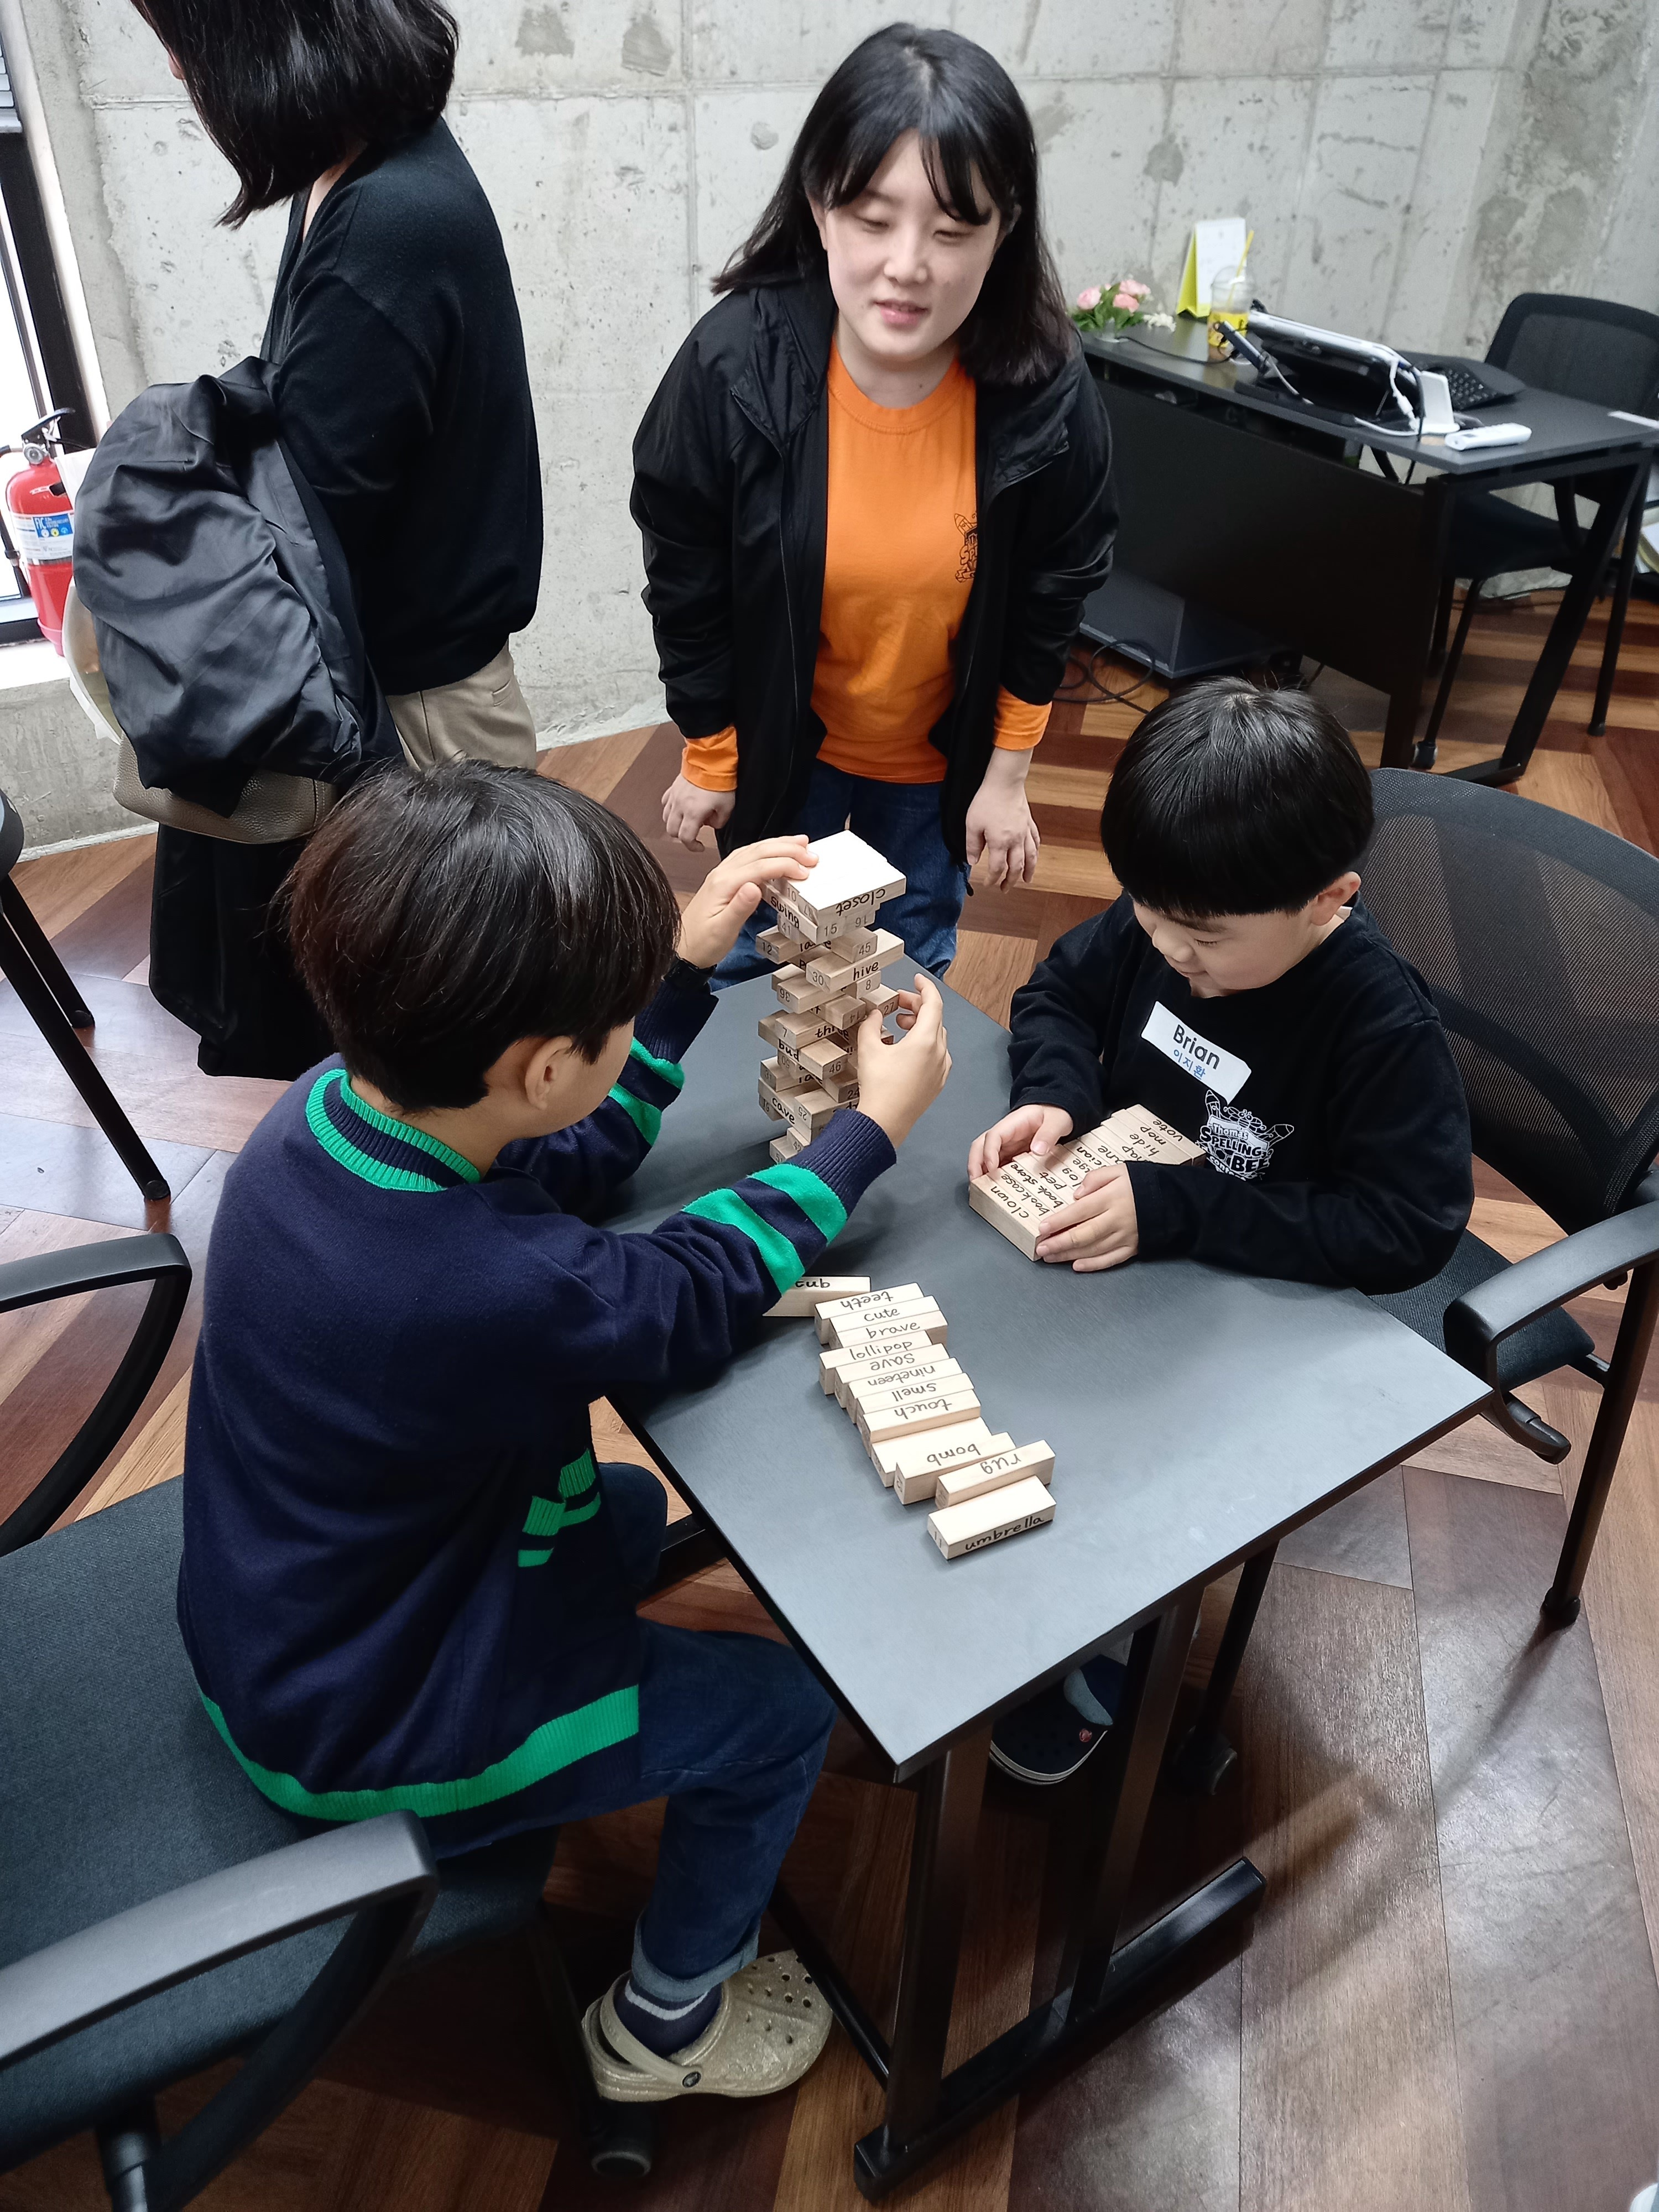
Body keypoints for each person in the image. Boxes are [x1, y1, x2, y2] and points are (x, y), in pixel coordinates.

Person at [176, 761, 951, 2103]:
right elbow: (686, 1296)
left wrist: (680, 976)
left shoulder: (328, 1111)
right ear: (540, 1063)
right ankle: (664, 2026)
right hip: (364, 1715)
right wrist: (867, 1133)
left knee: (627, 1509)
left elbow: (560, 1153)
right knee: (778, 1711)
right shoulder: (492, 1285)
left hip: (280, 1609)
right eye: (604, 1027)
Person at [967, 678, 1472, 1784]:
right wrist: (1056, 1088)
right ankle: (1040, 1588)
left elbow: (1408, 1225)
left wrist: (1179, 1208)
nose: (1165, 949)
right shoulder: (1175, 908)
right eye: (1145, 916)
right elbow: (1058, 991)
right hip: (1134, 1257)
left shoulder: (1377, 1021)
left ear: (1330, 899)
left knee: (1149, 1471)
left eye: (1198, 938)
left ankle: (1128, 1635)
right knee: (1029, 1386)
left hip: (1266, 1299)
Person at [632, 22, 1115, 985]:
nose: (908, 265)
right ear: (819, 206)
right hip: (786, 744)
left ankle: (875, 1139)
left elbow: (1053, 591)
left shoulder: (1044, 388)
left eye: (952, 230)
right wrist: (711, 754)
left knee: (908, 965)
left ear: (1003, 228)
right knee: (753, 968)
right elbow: (685, 575)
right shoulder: (736, 364)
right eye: (873, 218)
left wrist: (1008, 777)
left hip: (938, 761)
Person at [133, 0, 542, 1075]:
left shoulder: (386, 219)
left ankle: (440, 1243)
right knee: (415, 1055)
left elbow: (309, 523)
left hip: (416, 725)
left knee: (460, 1060)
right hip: (389, 702)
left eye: (188, 41)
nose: (177, 67)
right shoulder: (360, 179)